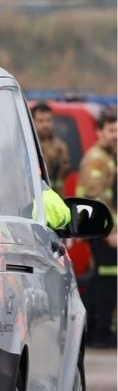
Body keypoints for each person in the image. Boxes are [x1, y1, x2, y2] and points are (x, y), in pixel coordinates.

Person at [78, 109, 117, 347]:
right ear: (99, 132)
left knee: (100, 281)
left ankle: (97, 331)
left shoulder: (108, 156)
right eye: (111, 130)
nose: (115, 135)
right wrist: (111, 232)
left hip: (101, 228)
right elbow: (97, 197)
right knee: (105, 281)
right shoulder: (97, 158)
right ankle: (99, 333)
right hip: (100, 229)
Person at [33, 102, 71, 193]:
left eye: (48, 120)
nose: (45, 125)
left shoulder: (60, 147)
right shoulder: (30, 148)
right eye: (41, 121)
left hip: (56, 198)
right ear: (33, 122)